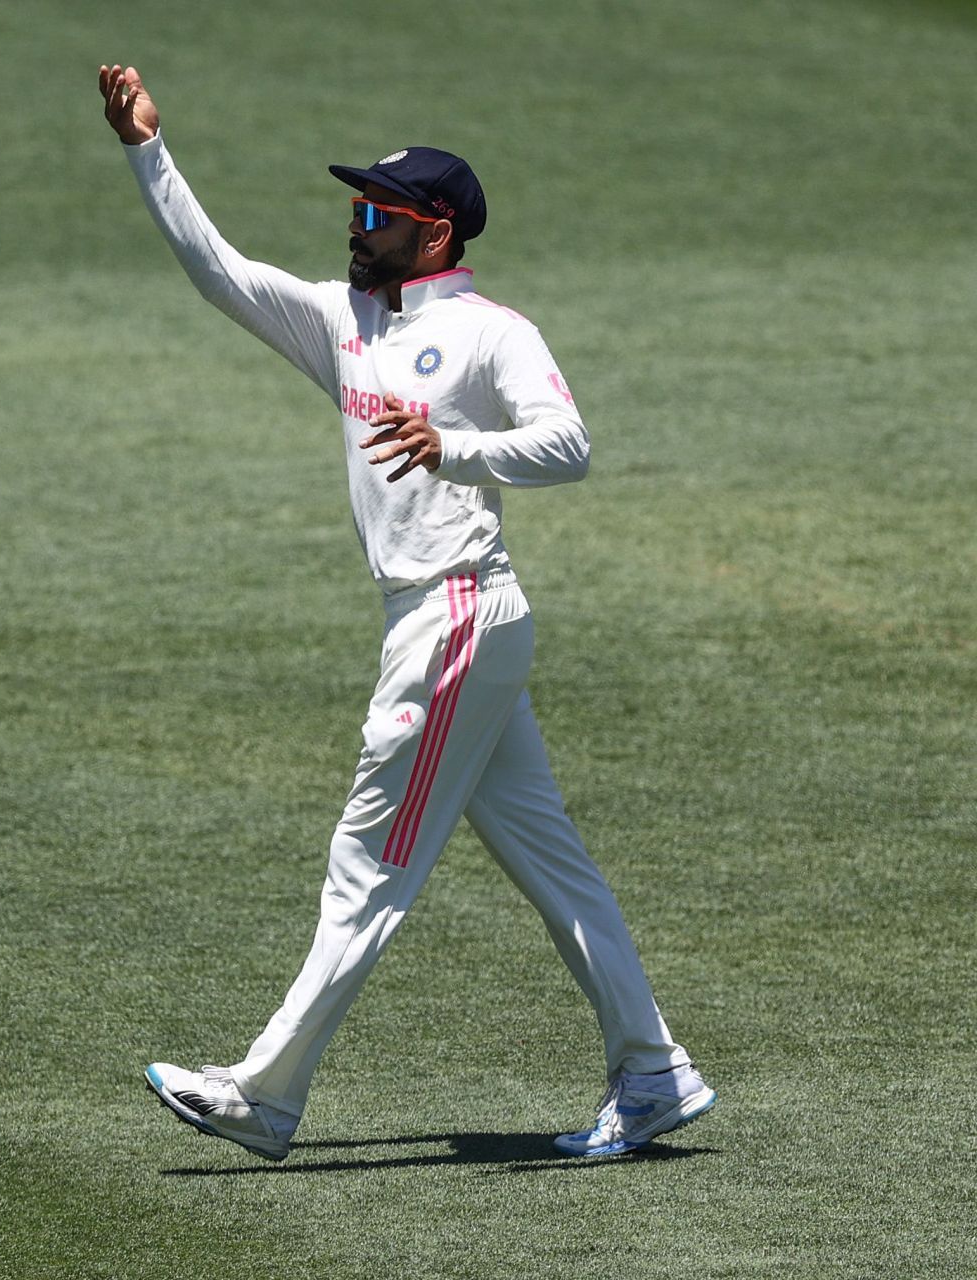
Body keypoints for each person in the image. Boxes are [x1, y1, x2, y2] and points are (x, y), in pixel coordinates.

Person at [96, 64, 716, 1161]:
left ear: (433, 233)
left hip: (459, 615)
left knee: (368, 862)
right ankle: (656, 1069)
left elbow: (568, 447)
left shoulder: (490, 332)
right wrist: (149, 150)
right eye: (354, 208)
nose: (356, 224)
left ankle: (265, 1093)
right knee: (556, 867)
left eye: (375, 213)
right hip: (435, 620)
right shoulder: (345, 321)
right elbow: (221, 274)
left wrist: (456, 445)